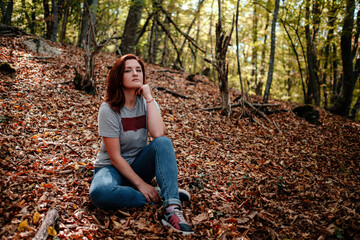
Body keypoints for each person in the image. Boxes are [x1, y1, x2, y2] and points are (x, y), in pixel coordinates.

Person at [89, 54, 193, 235]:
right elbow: (114, 157)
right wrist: (141, 185)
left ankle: (172, 209)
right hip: (111, 167)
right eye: (128, 70)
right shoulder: (108, 109)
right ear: (118, 77)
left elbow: (158, 134)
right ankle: (163, 194)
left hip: (139, 164)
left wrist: (149, 97)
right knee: (100, 193)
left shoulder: (147, 102)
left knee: (163, 143)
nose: (135, 73)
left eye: (138, 70)